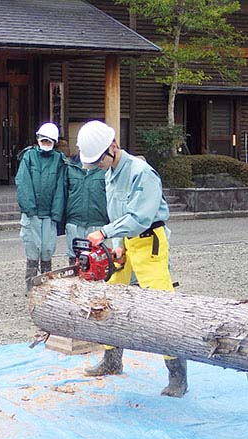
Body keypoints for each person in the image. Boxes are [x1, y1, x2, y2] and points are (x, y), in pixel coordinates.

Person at [76, 120, 187, 398]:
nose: (97, 165)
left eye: (99, 160)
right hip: (125, 241)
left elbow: (140, 217)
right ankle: (112, 360)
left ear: (112, 147)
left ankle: (178, 376)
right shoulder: (109, 173)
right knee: (110, 300)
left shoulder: (142, 173)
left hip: (149, 241)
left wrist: (104, 233)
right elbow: (116, 214)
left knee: (161, 309)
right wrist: (114, 243)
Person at [15, 122, 66, 289]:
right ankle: (30, 286)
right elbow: (23, 183)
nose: (45, 143)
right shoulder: (28, 156)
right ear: (37, 139)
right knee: (32, 249)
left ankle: (46, 287)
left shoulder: (59, 160)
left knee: (47, 250)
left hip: (50, 214)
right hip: (32, 213)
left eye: (49, 141)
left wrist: (56, 212)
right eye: (43, 140)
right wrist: (29, 208)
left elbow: (60, 187)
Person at [63, 152, 109, 265]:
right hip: (74, 220)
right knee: (75, 260)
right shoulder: (70, 167)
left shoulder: (105, 168)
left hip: (98, 221)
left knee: (97, 259)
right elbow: (62, 193)